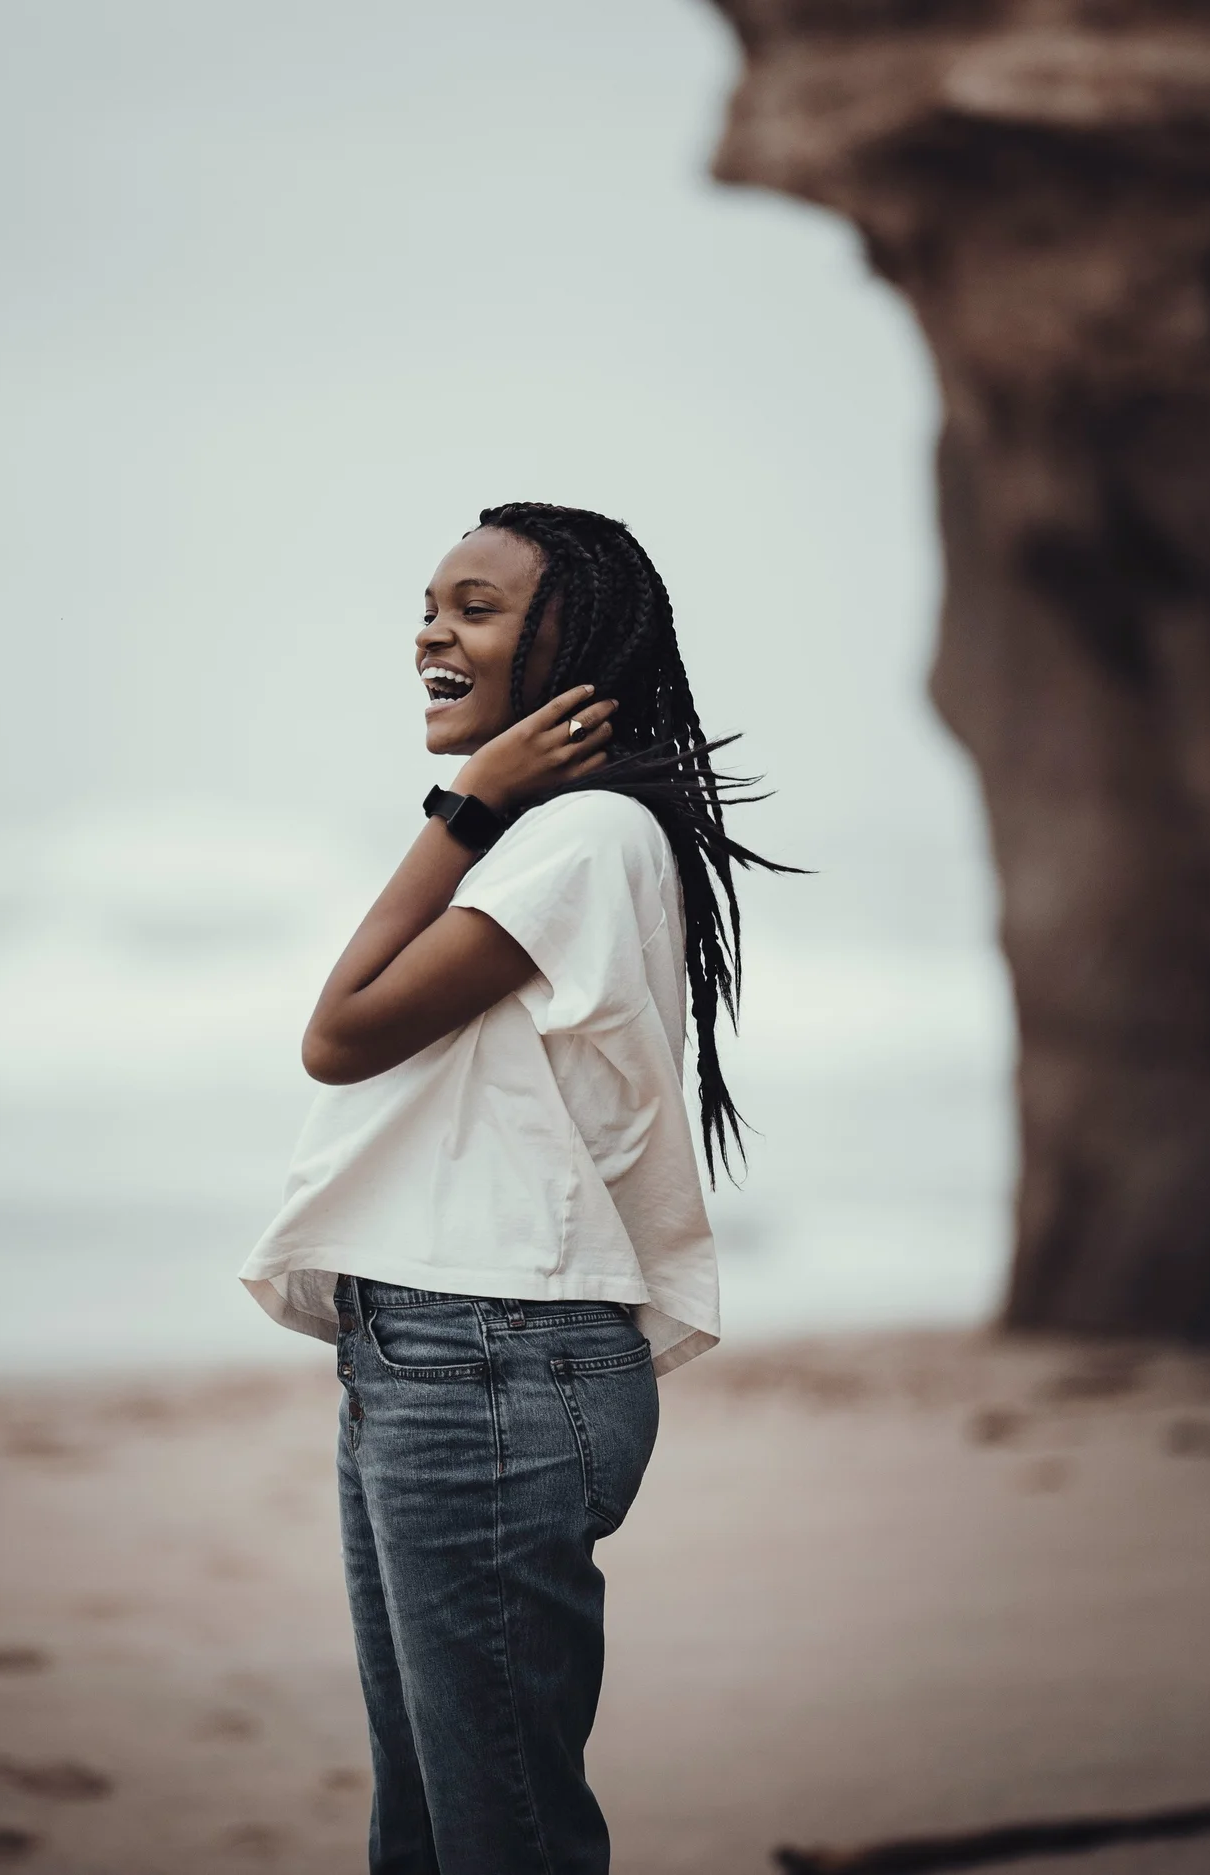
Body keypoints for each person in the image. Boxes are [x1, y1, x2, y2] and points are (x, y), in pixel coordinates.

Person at [241, 502, 785, 1875]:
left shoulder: (581, 834)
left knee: (496, 1832)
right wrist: (481, 812)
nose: (432, 632)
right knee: (431, 1826)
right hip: (446, 1347)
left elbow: (340, 1030)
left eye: (475, 607)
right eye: (428, 607)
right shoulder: (560, 840)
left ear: (575, 643)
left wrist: (466, 803)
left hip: (489, 1356)